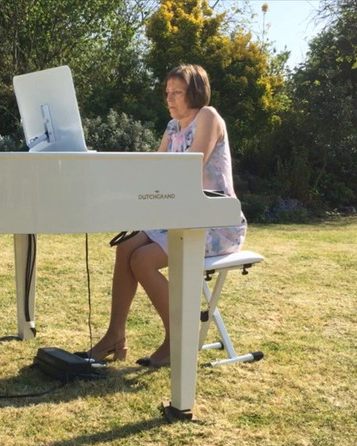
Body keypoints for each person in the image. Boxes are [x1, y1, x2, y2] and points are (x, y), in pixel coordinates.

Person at [82, 64, 248, 367]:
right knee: (126, 247)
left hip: (214, 220)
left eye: (177, 93)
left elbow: (189, 170)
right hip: (179, 214)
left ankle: (177, 338)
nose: (169, 99)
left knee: (142, 260)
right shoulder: (173, 128)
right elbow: (155, 173)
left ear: (195, 92)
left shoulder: (208, 117)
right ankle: (115, 335)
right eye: (167, 93)